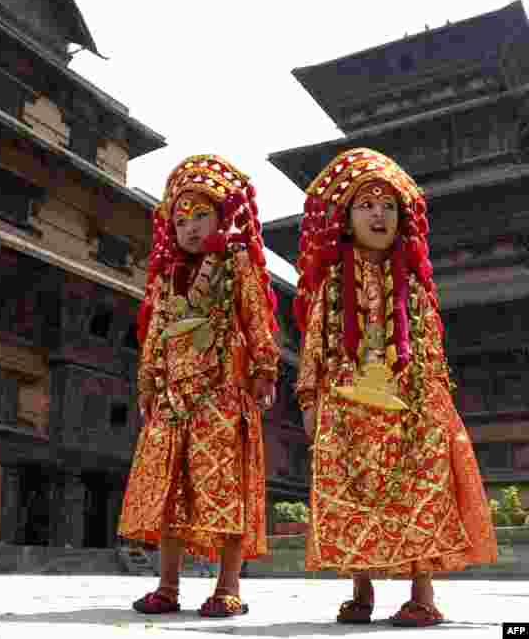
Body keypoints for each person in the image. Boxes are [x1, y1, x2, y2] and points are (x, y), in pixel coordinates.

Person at [294, 148, 497, 628]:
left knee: (419, 491)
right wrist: (308, 398)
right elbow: (316, 342)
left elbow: (429, 346)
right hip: (347, 408)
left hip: (411, 405)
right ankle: (361, 590)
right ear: (346, 220)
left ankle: (422, 594)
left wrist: (434, 405)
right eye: (366, 205)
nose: (379, 215)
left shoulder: (413, 281)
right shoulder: (332, 282)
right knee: (351, 495)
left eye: (388, 205)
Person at [118, 155, 280, 617]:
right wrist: (147, 384)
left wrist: (265, 369)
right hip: (173, 398)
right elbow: (155, 334)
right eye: (181, 220)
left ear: (221, 217)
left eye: (201, 216)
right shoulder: (166, 275)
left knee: (225, 489)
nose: (190, 228)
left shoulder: (236, 262)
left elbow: (257, 317)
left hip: (224, 393)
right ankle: (167, 587)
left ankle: (228, 587)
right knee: (170, 493)